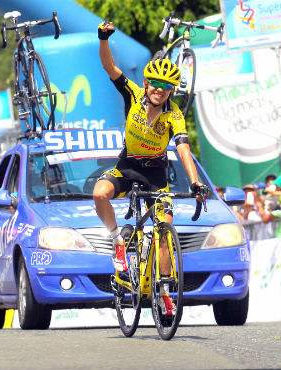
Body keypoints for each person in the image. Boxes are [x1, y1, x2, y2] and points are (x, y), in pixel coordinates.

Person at [93, 21, 207, 315]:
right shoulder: (132, 93)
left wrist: (196, 183)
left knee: (165, 231)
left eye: (167, 87)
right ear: (146, 83)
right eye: (156, 84)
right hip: (128, 165)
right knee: (99, 193)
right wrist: (104, 38)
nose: (160, 90)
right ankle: (119, 242)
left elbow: (183, 148)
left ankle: (164, 292)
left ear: (172, 90)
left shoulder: (175, 115)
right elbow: (110, 66)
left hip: (156, 173)